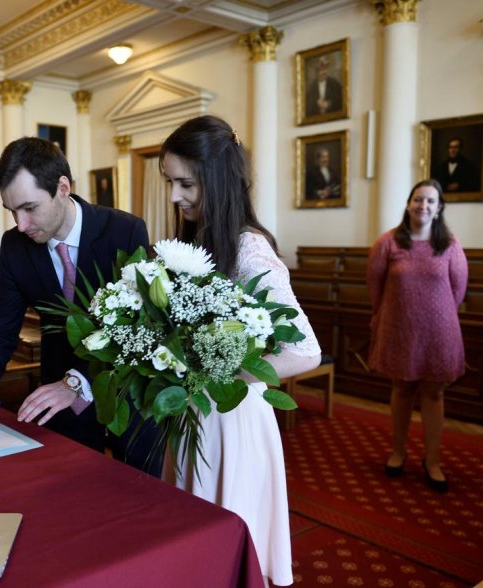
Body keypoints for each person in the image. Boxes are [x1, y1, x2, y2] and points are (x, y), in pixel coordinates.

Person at [160, 115, 322, 587]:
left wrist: (217, 379)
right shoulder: (199, 238)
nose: (175, 196)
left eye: (186, 183)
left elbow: (305, 351)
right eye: (171, 182)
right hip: (195, 417)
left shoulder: (248, 249)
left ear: (218, 178)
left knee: (225, 553)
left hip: (230, 421)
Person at [0, 137, 160, 475]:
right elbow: (3, 328)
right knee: (74, 492)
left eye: (30, 208)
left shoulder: (124, 230)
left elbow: (139, 326)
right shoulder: (14, 245)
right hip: (56, 398)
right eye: (12, 211)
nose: (21, 224)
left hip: (126, 392)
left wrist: (76, 383)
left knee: (144, 494)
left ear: (62, 187)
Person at [367, 179, 468, 493]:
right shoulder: (389, 242)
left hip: (439, 331)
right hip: (399, 327)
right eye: (418, 199)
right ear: (409, 203)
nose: (423, 206)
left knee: (434, 393)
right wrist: (382, 315)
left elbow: (459, 288)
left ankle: (432, 459)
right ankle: (399, 451)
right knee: (401, 389)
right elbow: (375, 285)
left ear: (438, 209)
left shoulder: (449, 244)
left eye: (430, 201)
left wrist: (437, 312)